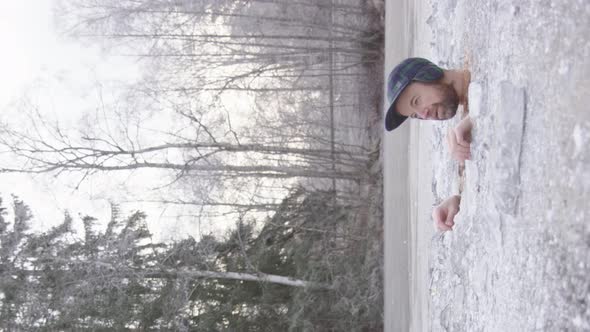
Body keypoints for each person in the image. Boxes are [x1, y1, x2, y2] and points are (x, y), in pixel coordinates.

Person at [385, 57, 473, 232]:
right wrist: (458, 201)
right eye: (416, 115)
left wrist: (476, 120)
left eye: (416, 101)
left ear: (429, 74)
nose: (424, 115)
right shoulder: (461, 129)